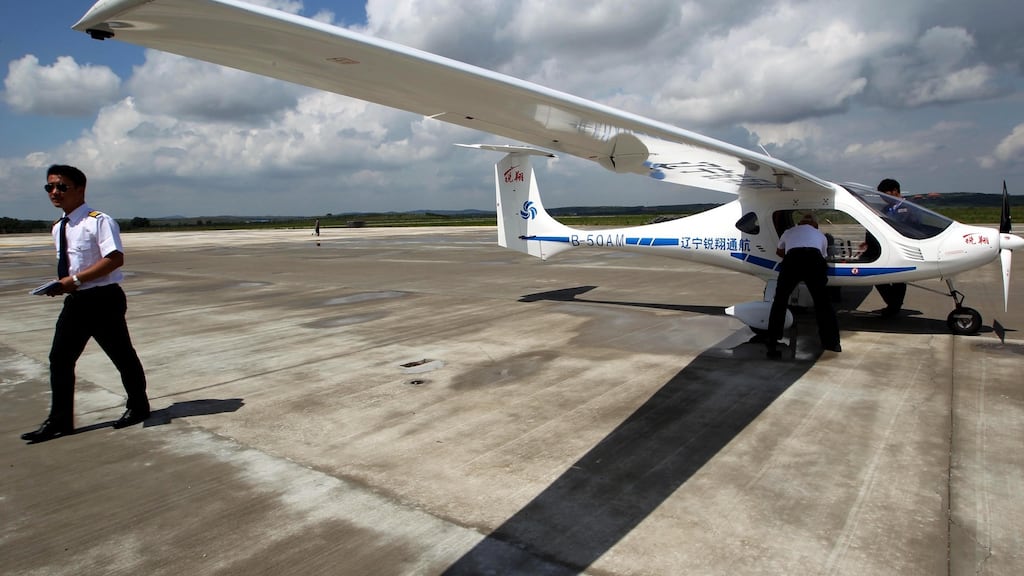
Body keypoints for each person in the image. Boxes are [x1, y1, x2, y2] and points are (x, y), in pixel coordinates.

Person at [21, 165, 150, 443]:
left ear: (80, 189)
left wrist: (75, 279)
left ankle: (139, 407)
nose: (55, 192)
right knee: (60, 359)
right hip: (77, 301)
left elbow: (114, 259)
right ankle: (60, 420)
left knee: (121, 355)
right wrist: (62, 285)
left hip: (103, 300)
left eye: (62, 186)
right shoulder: (59, 227)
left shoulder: (98, 221)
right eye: (50, 187)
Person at [766, 212, 841, 358]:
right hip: (814, 259)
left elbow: (779, 251)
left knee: (780, 301)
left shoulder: (789, 232)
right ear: (815, 225)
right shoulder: (820, 235)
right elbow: (822, 255)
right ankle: (832, 342)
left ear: (799, 224)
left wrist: (793, 260)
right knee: (823, 303)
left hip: (792, 258)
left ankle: (772, 342)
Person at [872, 178, 907, 317]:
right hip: (887, 249)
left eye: (885, 195)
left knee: (898, 279)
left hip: (900, 249)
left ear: (895, 192)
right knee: (879, 278)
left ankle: (894, 306)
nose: (884, 199)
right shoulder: (887, 209)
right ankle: (894, 305)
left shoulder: (908, 208)